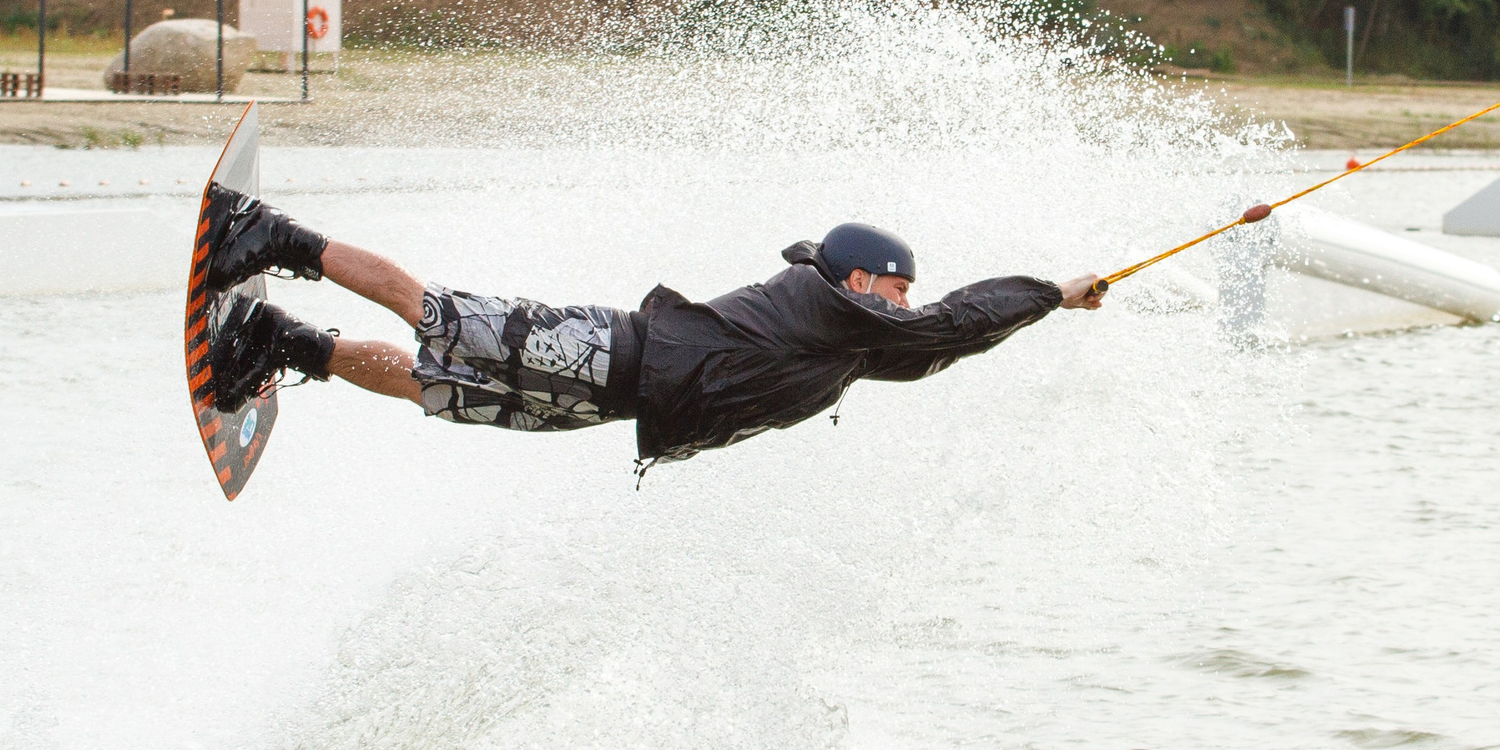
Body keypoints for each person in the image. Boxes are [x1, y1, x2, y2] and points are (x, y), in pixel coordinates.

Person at [199, 189, 1104, 467]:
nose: (903, 308)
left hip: (619, 399)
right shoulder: (829, 301)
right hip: (614, 348)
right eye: (898, 292)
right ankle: (273, 234)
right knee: (439, 312)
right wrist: (1051, 292)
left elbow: (938, 346)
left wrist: (1028, 316)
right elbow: (948, 324)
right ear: (865, 279)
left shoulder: (850, 348)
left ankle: (285, 343)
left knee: (438, 387)